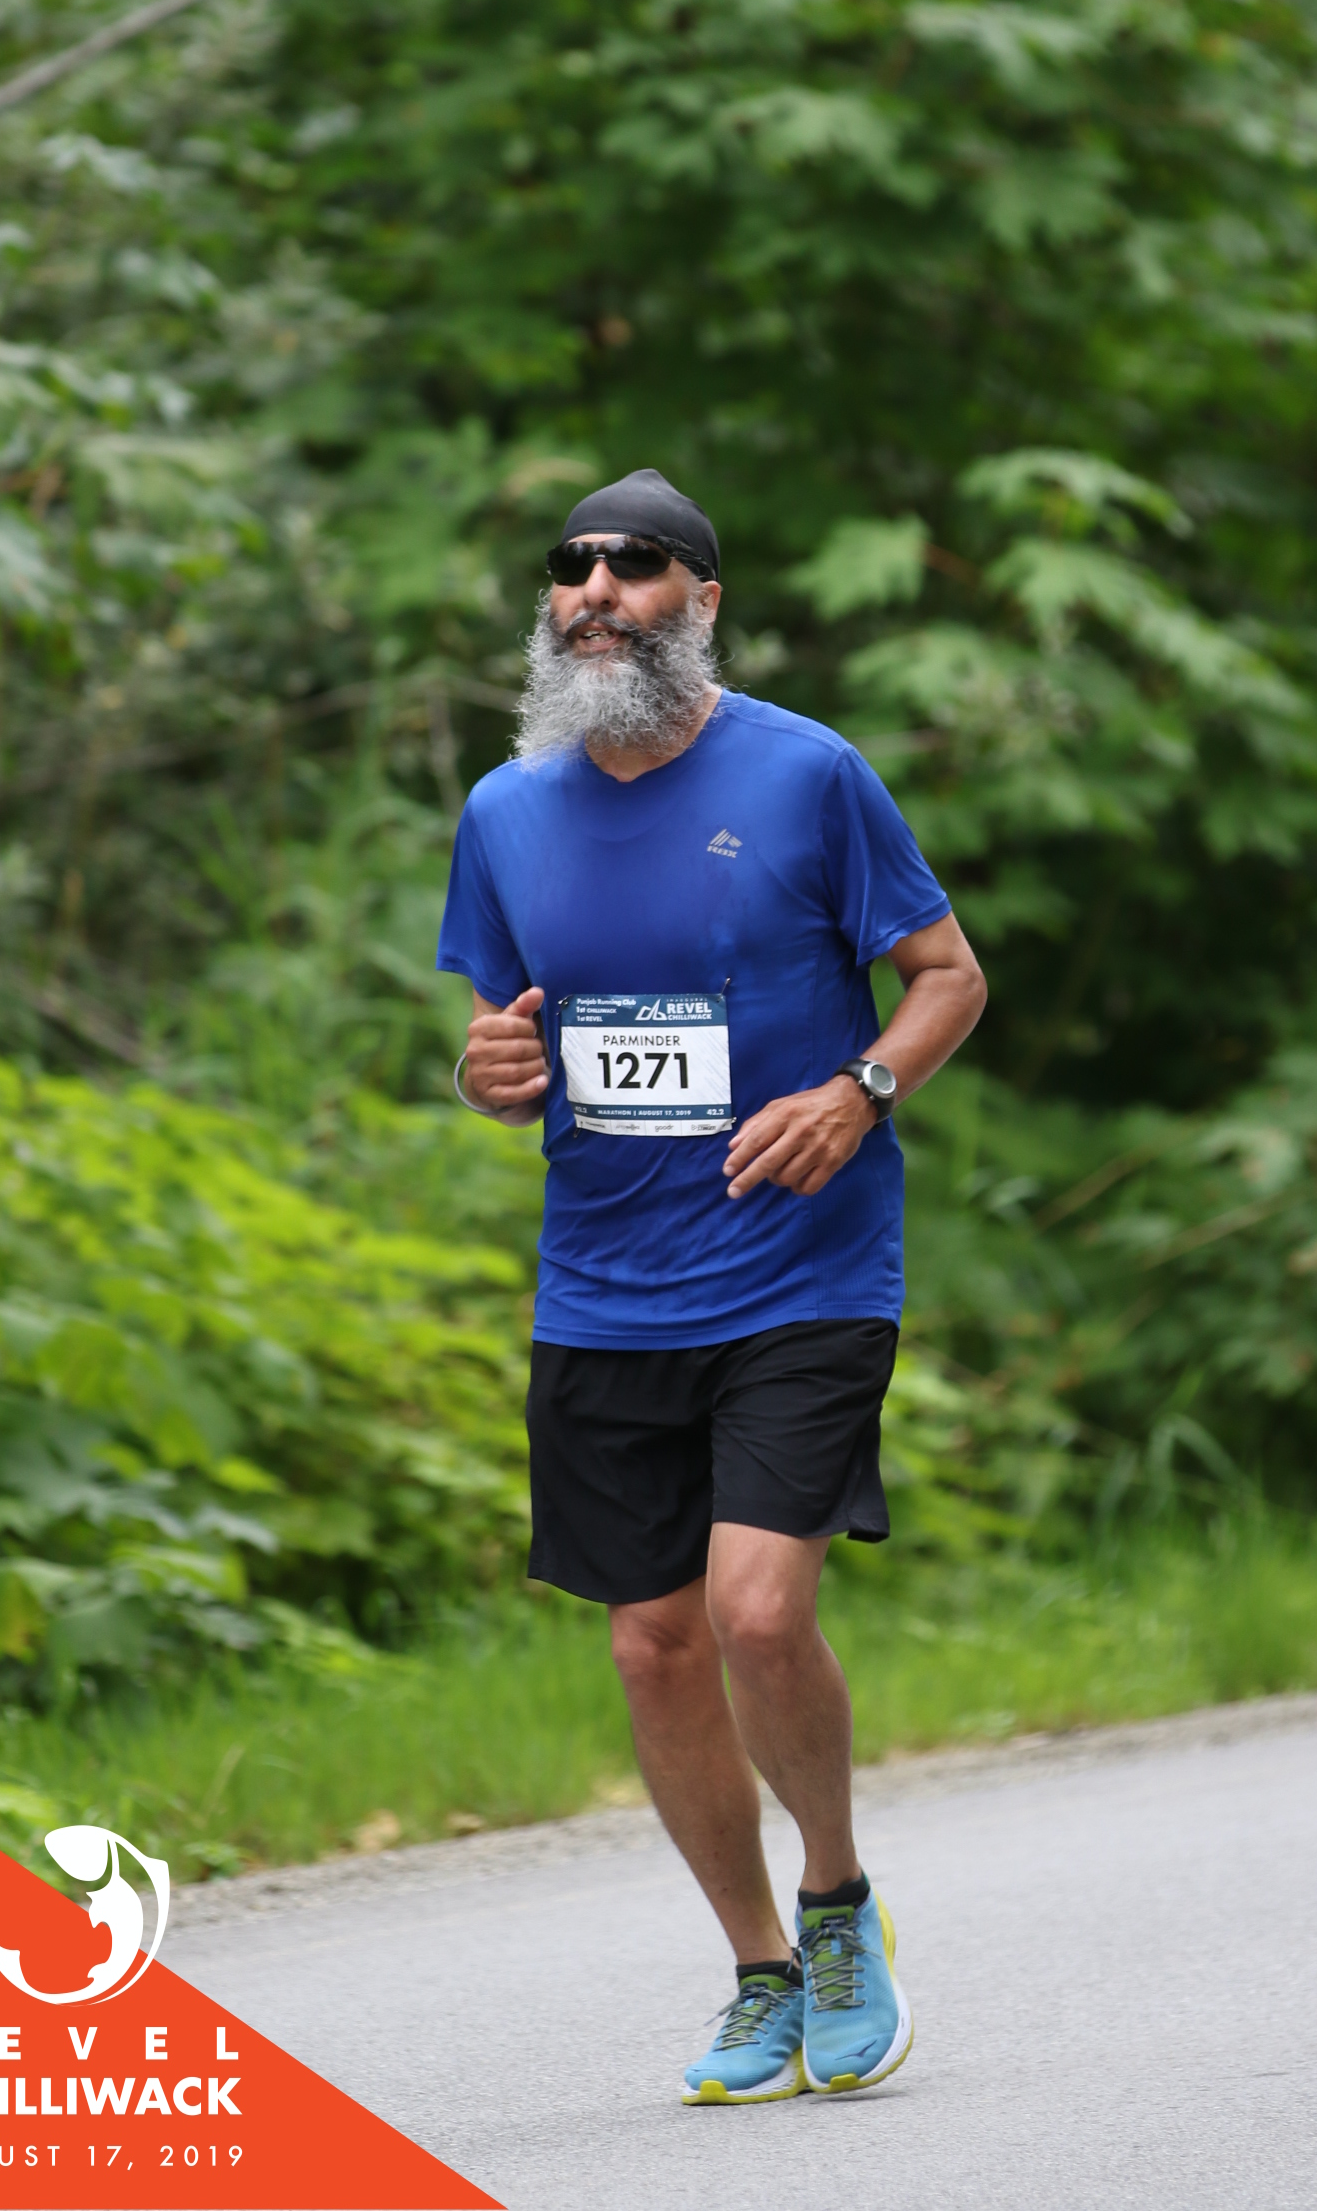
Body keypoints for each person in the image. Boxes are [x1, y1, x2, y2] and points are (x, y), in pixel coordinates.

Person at [437, 466, 987, 2105]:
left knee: (756, 1608)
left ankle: (837, 1901)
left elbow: (947, 978)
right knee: (652, 1647)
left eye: (639, 564)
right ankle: (758, 1970)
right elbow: (504, 1043)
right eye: (574, 566)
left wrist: (859, 1095)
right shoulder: (504, 811)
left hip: (804, 1268)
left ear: (705, 601)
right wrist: (487, 1073)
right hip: (606, 1286)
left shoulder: (808, 776)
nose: (597, 590)